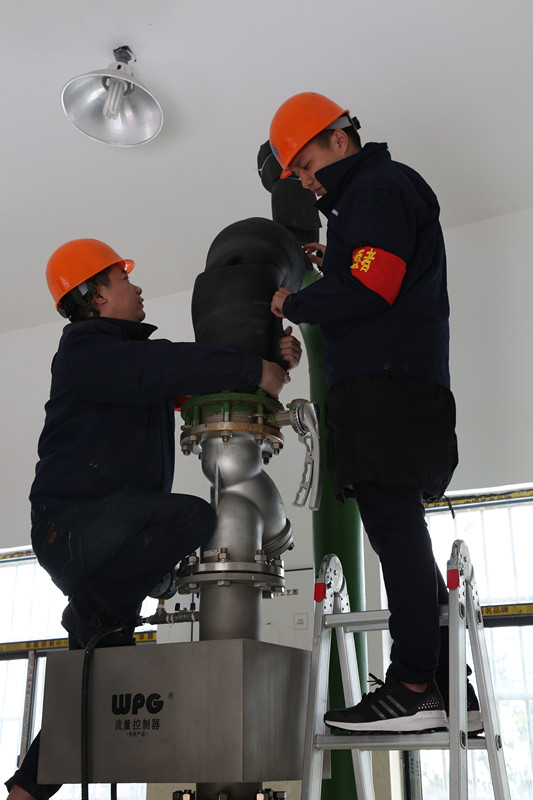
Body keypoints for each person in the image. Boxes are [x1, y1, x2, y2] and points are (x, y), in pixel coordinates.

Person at [5, 237, 301, 800]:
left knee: (94, 699)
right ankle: (96, 609)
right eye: (123, 279)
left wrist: (270, 357)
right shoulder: (88, 352)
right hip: (73, 528)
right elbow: (169, 364)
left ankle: (24, 790)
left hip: (106, 537)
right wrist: (251, 367)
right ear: (96, 296)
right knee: (190, 518)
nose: (137, 287)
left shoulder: (125, 366)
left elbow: (184, 377)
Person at [269, 92, 481, 734]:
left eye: (307, 166)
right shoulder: (369, 199)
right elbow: (372, 270)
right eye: (298, 175)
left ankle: (413, 684)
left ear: (340, 138)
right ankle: (451, 687)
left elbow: (370, 285)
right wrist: (333, 261)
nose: (306, 182)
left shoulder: (377, 187)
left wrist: (293, 303)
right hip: (402, 388)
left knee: (395, 532)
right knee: (401, 531)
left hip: (386, 390)